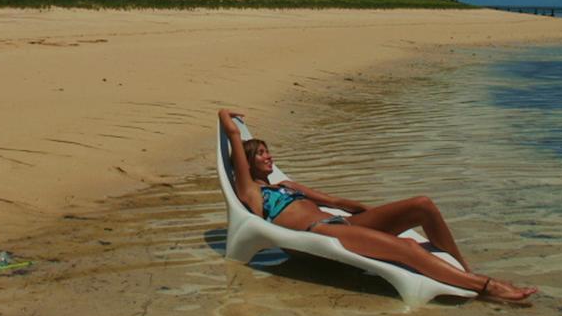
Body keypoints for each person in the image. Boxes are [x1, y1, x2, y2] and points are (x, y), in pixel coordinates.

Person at [219, 108, 538, 303]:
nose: (269, 156)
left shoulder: (286, 185)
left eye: (268, 151)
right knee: (409, 251)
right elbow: (229, 128)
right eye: (261, 153)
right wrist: (232, 120)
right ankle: (487, 286)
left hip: (344, 224)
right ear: (247, 162)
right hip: (321, 233)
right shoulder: (251, 192)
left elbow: (335, 202)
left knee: (422, 205)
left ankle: (465, 271)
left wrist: (375, 213)